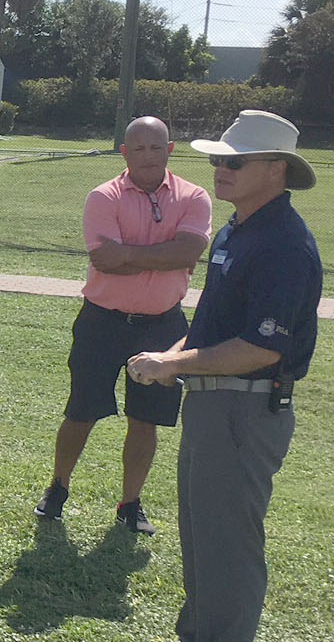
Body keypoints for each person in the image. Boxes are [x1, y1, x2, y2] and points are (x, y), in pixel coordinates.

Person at [127, 110, 322, 642]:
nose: (221, 169)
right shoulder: (239, 230)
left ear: (277, 170)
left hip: (246, 408)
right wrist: (171, 353)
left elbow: (263, 347)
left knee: (230, 542)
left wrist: (175, 366)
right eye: (218, 159)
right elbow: (211, 326)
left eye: (234, 161)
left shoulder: (284, 244)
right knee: (200, 530)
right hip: (213, 405)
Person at [36, 116, 213, 534]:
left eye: (157, 148)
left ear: (170, 150)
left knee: (145, 419)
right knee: (82, 410)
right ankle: (57, 488)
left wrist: (130, 255)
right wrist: (164, 253)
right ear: (125, 153)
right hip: (102, 322)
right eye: (139, 149)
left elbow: (188, 253)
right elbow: (104, 260)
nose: (148, 156)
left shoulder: (194, 196)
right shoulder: (103, 196)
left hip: (163, 326)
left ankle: (130, 504)